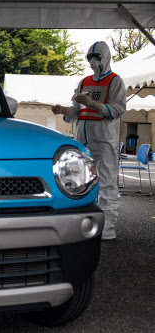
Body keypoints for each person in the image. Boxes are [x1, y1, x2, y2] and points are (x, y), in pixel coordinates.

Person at [52, 41, 126, 241]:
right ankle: (83, 222)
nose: (93, 62)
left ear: (105, 58)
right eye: (90, 58)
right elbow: (76, 111)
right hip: (82, 139)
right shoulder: (83, 82)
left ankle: (108, 226)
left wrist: (94, 104)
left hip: (103, 139)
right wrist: (63, 111)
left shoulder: (114, 81)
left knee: (107, 181)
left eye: (97, 58)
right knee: (79, 181)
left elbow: (118, 109)